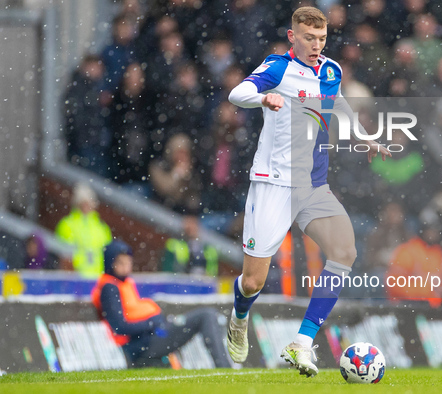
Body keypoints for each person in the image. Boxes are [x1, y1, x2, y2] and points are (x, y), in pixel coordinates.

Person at [226, 6, 390, 377]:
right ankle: (239, 316)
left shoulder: (332, 70)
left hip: (312, 185)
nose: (316, 45)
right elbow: (239, 93)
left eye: (321, 39)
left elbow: (337, 104)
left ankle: (301, 342)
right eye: (309, 38)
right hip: (273, 182)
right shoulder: (278, 68)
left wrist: (364, 137)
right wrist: (262, 98)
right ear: (292, 37)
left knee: (345, 251)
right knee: (253, 281)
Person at [91, 240, 230, 368]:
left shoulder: (123, 283)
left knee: (206, 315)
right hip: (141, 344)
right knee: (206, 315)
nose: (126, 267)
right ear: (110, 263)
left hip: (150, 337)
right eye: (120, 263)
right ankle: (224, 367)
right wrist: (152, 324)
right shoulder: (109, 287)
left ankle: (223, 365)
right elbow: (119, 327)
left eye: (128, 262)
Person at [55, 183, 112, 278]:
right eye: (83, 202)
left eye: (88, 202)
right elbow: (64, 255)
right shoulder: (67, 224)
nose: (86, 206)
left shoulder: (101, 227)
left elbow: (108, 254)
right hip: (75, 279)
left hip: (97, 277)